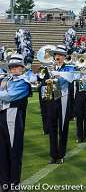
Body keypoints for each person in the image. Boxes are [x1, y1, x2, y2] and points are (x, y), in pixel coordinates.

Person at [0, 54, 31, 188]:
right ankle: (3, 182)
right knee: (2, 151)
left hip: (13, 117)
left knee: (14, 151)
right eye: (11, 67)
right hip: (1, 116)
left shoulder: (24, 82)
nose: (13, 69)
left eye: (16, 67)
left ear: (22, 68)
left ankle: (14, 183)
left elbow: (9, 96)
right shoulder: (5, 79)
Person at [45, 45, 75, 164]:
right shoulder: (49, 68)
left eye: (60, 55)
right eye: (56, 54)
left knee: (63, 127)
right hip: (52, 99)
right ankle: (53, 155)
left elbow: (70, 78)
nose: (58, 57)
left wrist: (56, 74)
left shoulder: (69, 68)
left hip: (63, 99)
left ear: (64, 57)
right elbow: (44, 82)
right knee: (52, 128)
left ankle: (61, 154)